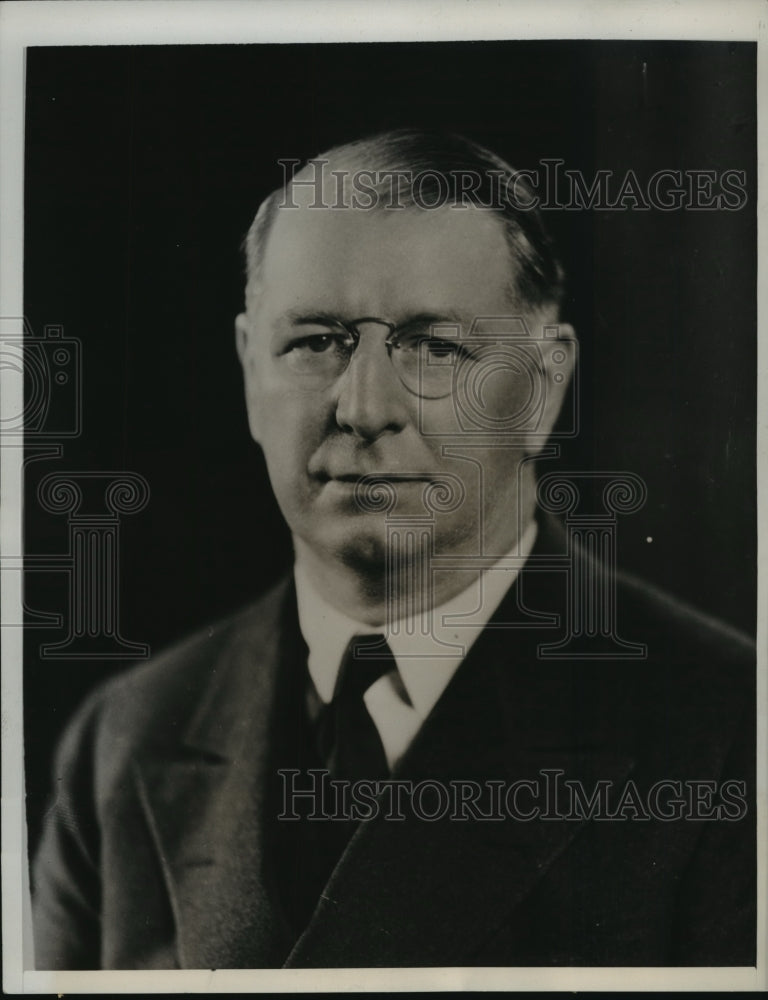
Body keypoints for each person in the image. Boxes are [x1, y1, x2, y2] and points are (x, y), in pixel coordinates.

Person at [31, 129, 755, 969]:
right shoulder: (124, 741)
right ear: (247, 371)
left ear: (544, 387)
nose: (365, 407)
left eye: (434, 347)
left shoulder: (727, 728)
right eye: (314, 343)